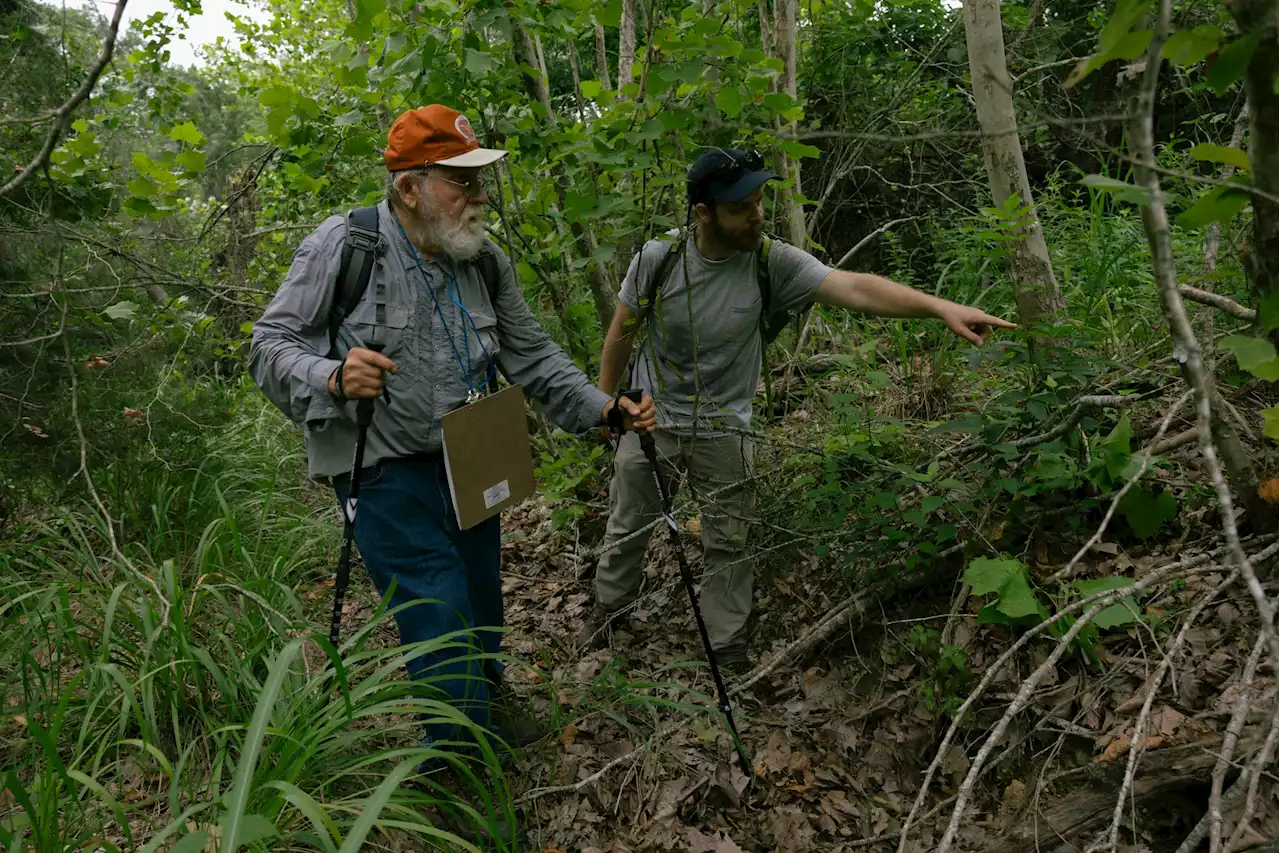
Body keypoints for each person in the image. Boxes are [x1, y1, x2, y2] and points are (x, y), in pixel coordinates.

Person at [249, 103, 657, 755]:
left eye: (479, 179)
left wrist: (601, 408)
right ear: (409, 188)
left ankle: (484, 696)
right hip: (380, 466)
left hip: (471, 453)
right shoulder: (345, 245)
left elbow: (534, 353)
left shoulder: (484, 261)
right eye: (460, 181)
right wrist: (331, 374)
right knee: (435, 604)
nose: (479, 195)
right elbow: (268, 343)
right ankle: (462, 760)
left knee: (478, 594)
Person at [578, 148, 1014, 672]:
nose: (758, 214)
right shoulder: (659, 259)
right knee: (628, 525)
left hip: (726, 426)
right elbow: (622, 330)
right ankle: (609, 613)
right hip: (651, 419)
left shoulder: (771, 260)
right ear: (704, 213)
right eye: (742, 207)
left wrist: (940, 306)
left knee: (730, 542)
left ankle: (727, 648)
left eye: (761, 201)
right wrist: (607, 406)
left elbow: (851, 286)